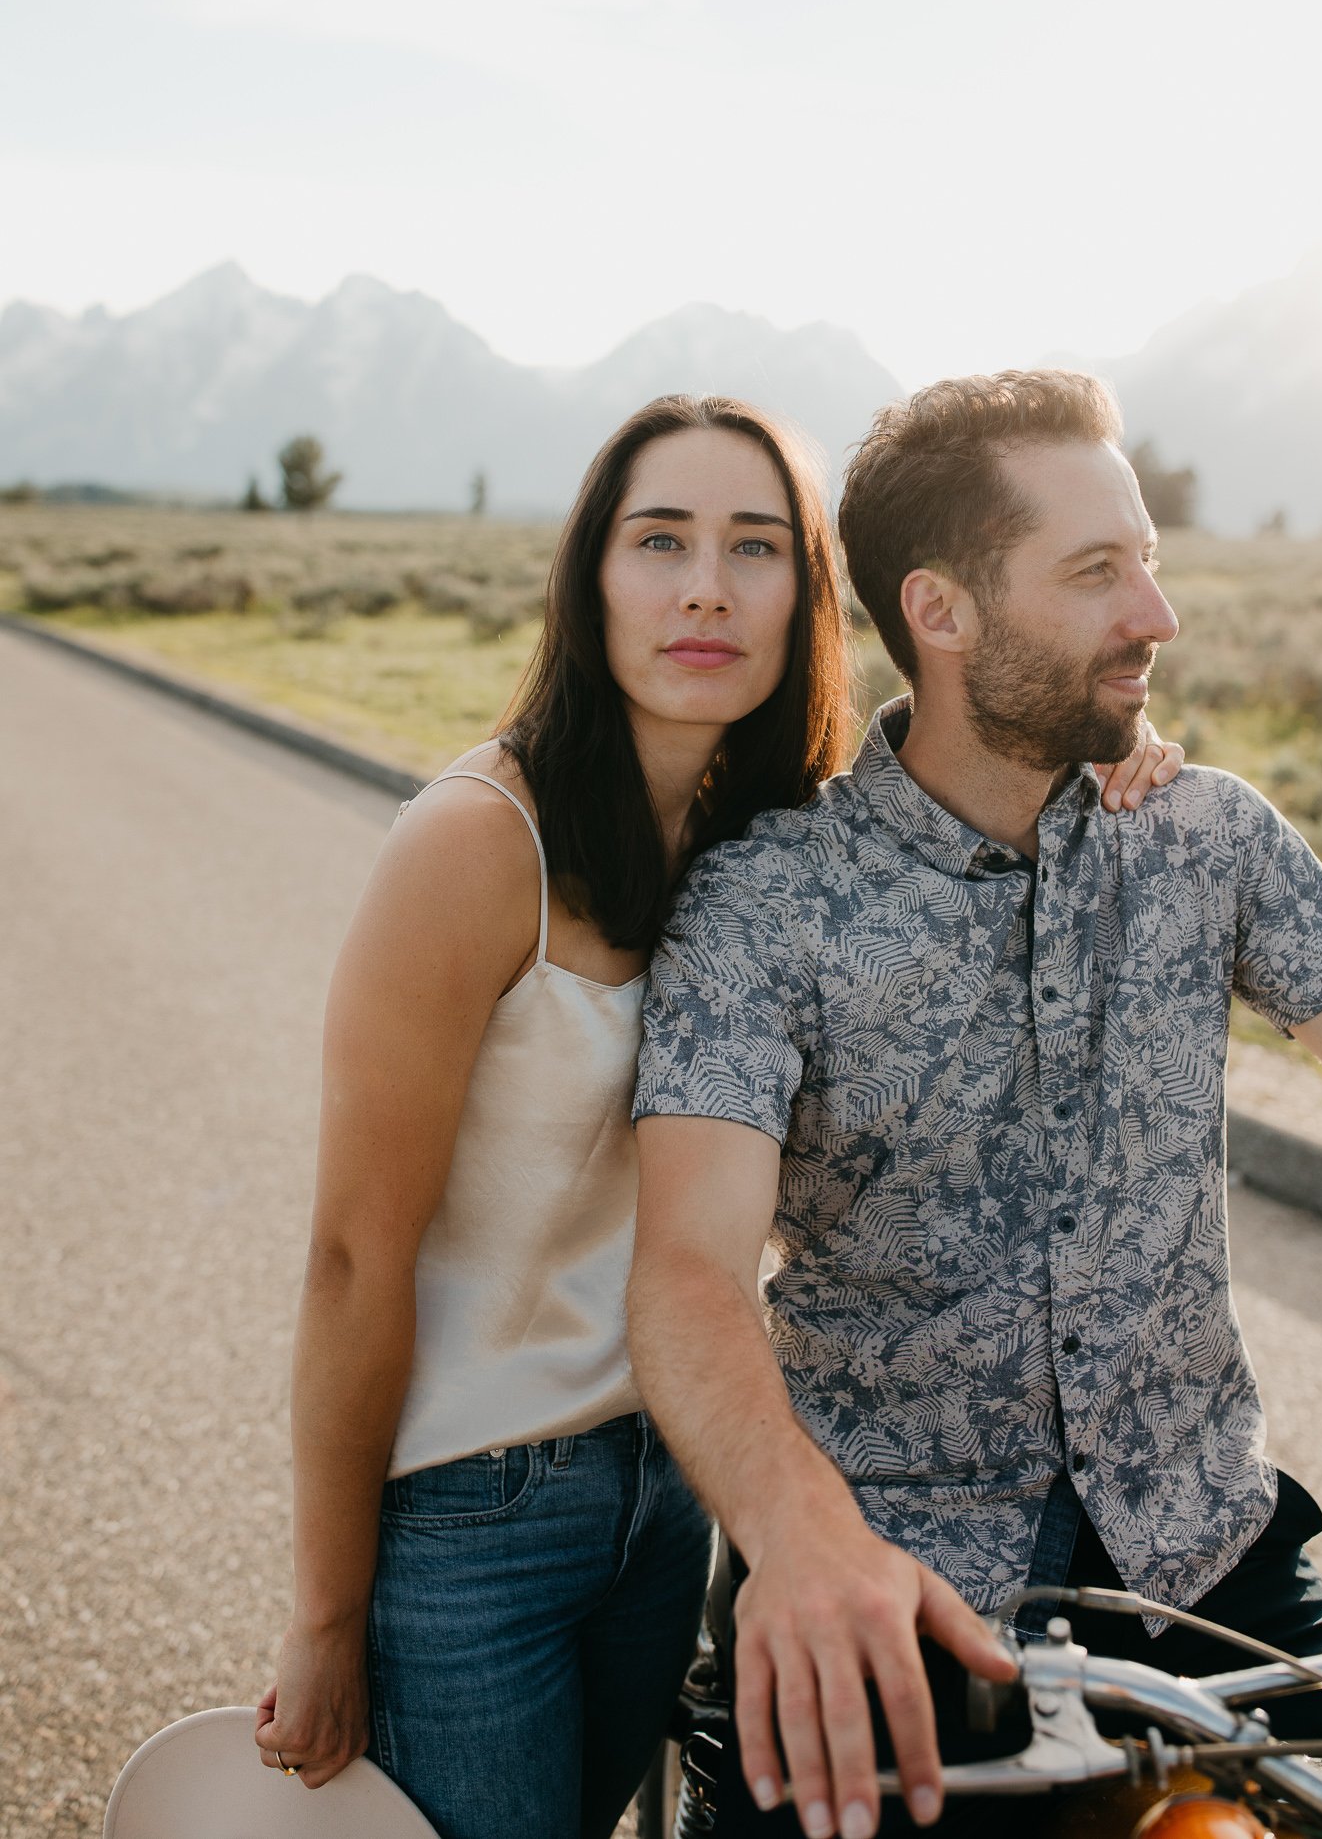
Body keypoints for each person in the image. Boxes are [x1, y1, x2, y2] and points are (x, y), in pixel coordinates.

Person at [250, 383, 1190, 1839]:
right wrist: (325, 1610)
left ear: (806, 593)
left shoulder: (761, 844)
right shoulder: (476, 842)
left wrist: (1110, 748)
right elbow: (353, 1257)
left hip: (668, 1487)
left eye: (756, 547)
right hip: (468, 1510)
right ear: (592, 576)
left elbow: (956, 776)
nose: (705, 586)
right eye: (659, 539)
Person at [627, 369, 1322, 1839]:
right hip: (893, 1603)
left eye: (1148, 559)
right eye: (1098, 572)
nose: (1154, 614)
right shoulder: (769, 902)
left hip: (1213, 1572)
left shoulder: (1209, 839)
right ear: (943, 612)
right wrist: (798, 1539)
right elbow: (689, 1271)